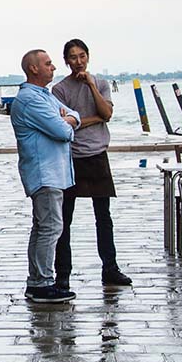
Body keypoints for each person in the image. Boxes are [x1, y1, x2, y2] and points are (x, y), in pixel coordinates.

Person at [51, 39, 132, 288]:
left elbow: (106, 114)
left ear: (88, 57)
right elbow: (64, 123)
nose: (78, 61)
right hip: (71, 157)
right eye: (73, 57)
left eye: (82, 56)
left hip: (97, 154)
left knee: (103, 217)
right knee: (64, 220)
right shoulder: (60, 90)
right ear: (66, 61)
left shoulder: (101, 83)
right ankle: (62, 275)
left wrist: (90, 87)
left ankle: (110, 268)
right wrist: (92, 118)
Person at [10, 49, 80, 303]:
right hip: (44, 172)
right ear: (34, 69)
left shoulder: (45, 96)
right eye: (48, 64)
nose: (54, 67)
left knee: (44, 227)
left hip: (54, 172)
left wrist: (70, 119)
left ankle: (38, 281)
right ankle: (41, 283)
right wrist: (67, 122)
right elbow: (62, 131)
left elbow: (76, 115)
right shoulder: (31, 100)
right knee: (49, 227)